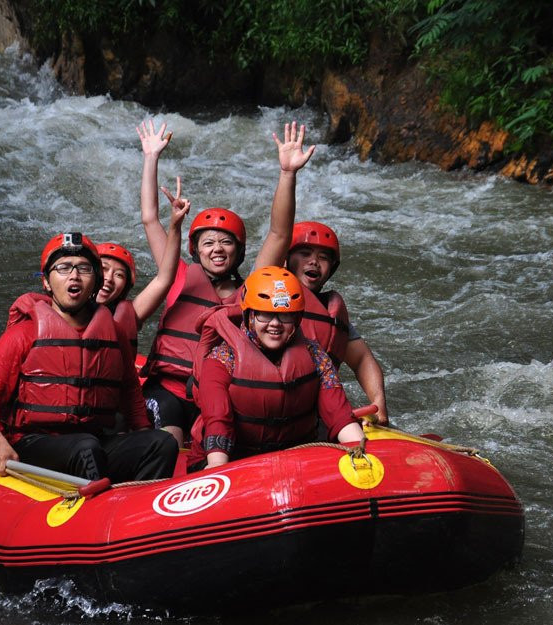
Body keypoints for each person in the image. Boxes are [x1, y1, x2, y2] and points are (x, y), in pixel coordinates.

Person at [137, 120, 315, 445]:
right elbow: (150, 217)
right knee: (169, 441)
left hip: (219, 395)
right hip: (169, 391)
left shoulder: (251, 293)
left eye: (226, 242)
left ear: (238, 251)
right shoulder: (175, 275)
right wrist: (151, 158)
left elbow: (279, 234)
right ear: (195, 249)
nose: (217, 249)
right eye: (208, 243)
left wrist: (288, 174)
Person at [0, 232, 178, 481]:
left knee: (162, 442)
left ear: (96, 281)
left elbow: (131, 393)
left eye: (84, 269)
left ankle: (139, 509)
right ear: (46, 281)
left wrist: (142, 433)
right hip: (34, 442)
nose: (74, 275)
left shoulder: (114, 333)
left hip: (95, 440)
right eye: (64, 268)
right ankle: (96, 510)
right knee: (86, 447)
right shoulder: (22, 334)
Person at [187, 266, 365, 470]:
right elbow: (218, 419)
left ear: (297, 319)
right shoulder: (221, 358)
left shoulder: (315, 356)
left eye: (285, 316)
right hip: (228, 459)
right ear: (249, 315)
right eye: (265, 314)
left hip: (291, 459)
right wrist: (217, 465)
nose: (275, 324)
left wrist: (358, 450)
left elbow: (339, 414)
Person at [287, 221, 390, 424]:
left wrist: (379, 405)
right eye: (305, 253)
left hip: (314, 415)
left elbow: (361, 360)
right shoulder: (263, 297)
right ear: (286, 258)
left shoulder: (329, 313)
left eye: (323, 257)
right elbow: (277, 234)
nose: (314, 261)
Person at [95, 191, 190, 350]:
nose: (109, 279)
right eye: (103, 269)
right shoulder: (65, 302)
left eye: (119, 275)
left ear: (125, 286)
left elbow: (165, 278)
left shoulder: (131, 313)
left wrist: (175, 226)